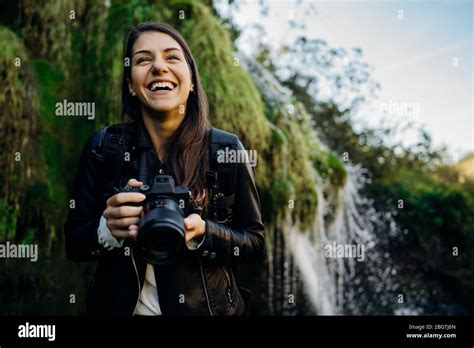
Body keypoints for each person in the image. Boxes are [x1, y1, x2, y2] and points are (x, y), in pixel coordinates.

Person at [64, 22, 264, 316]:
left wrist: (204, 233)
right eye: (144, 60)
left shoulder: (226, 149)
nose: (159, 67)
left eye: (172, 57)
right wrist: (107, 230)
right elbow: (74, 244)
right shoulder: (103, 147)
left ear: (192, 80)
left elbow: (254, 242)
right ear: (131, 85)